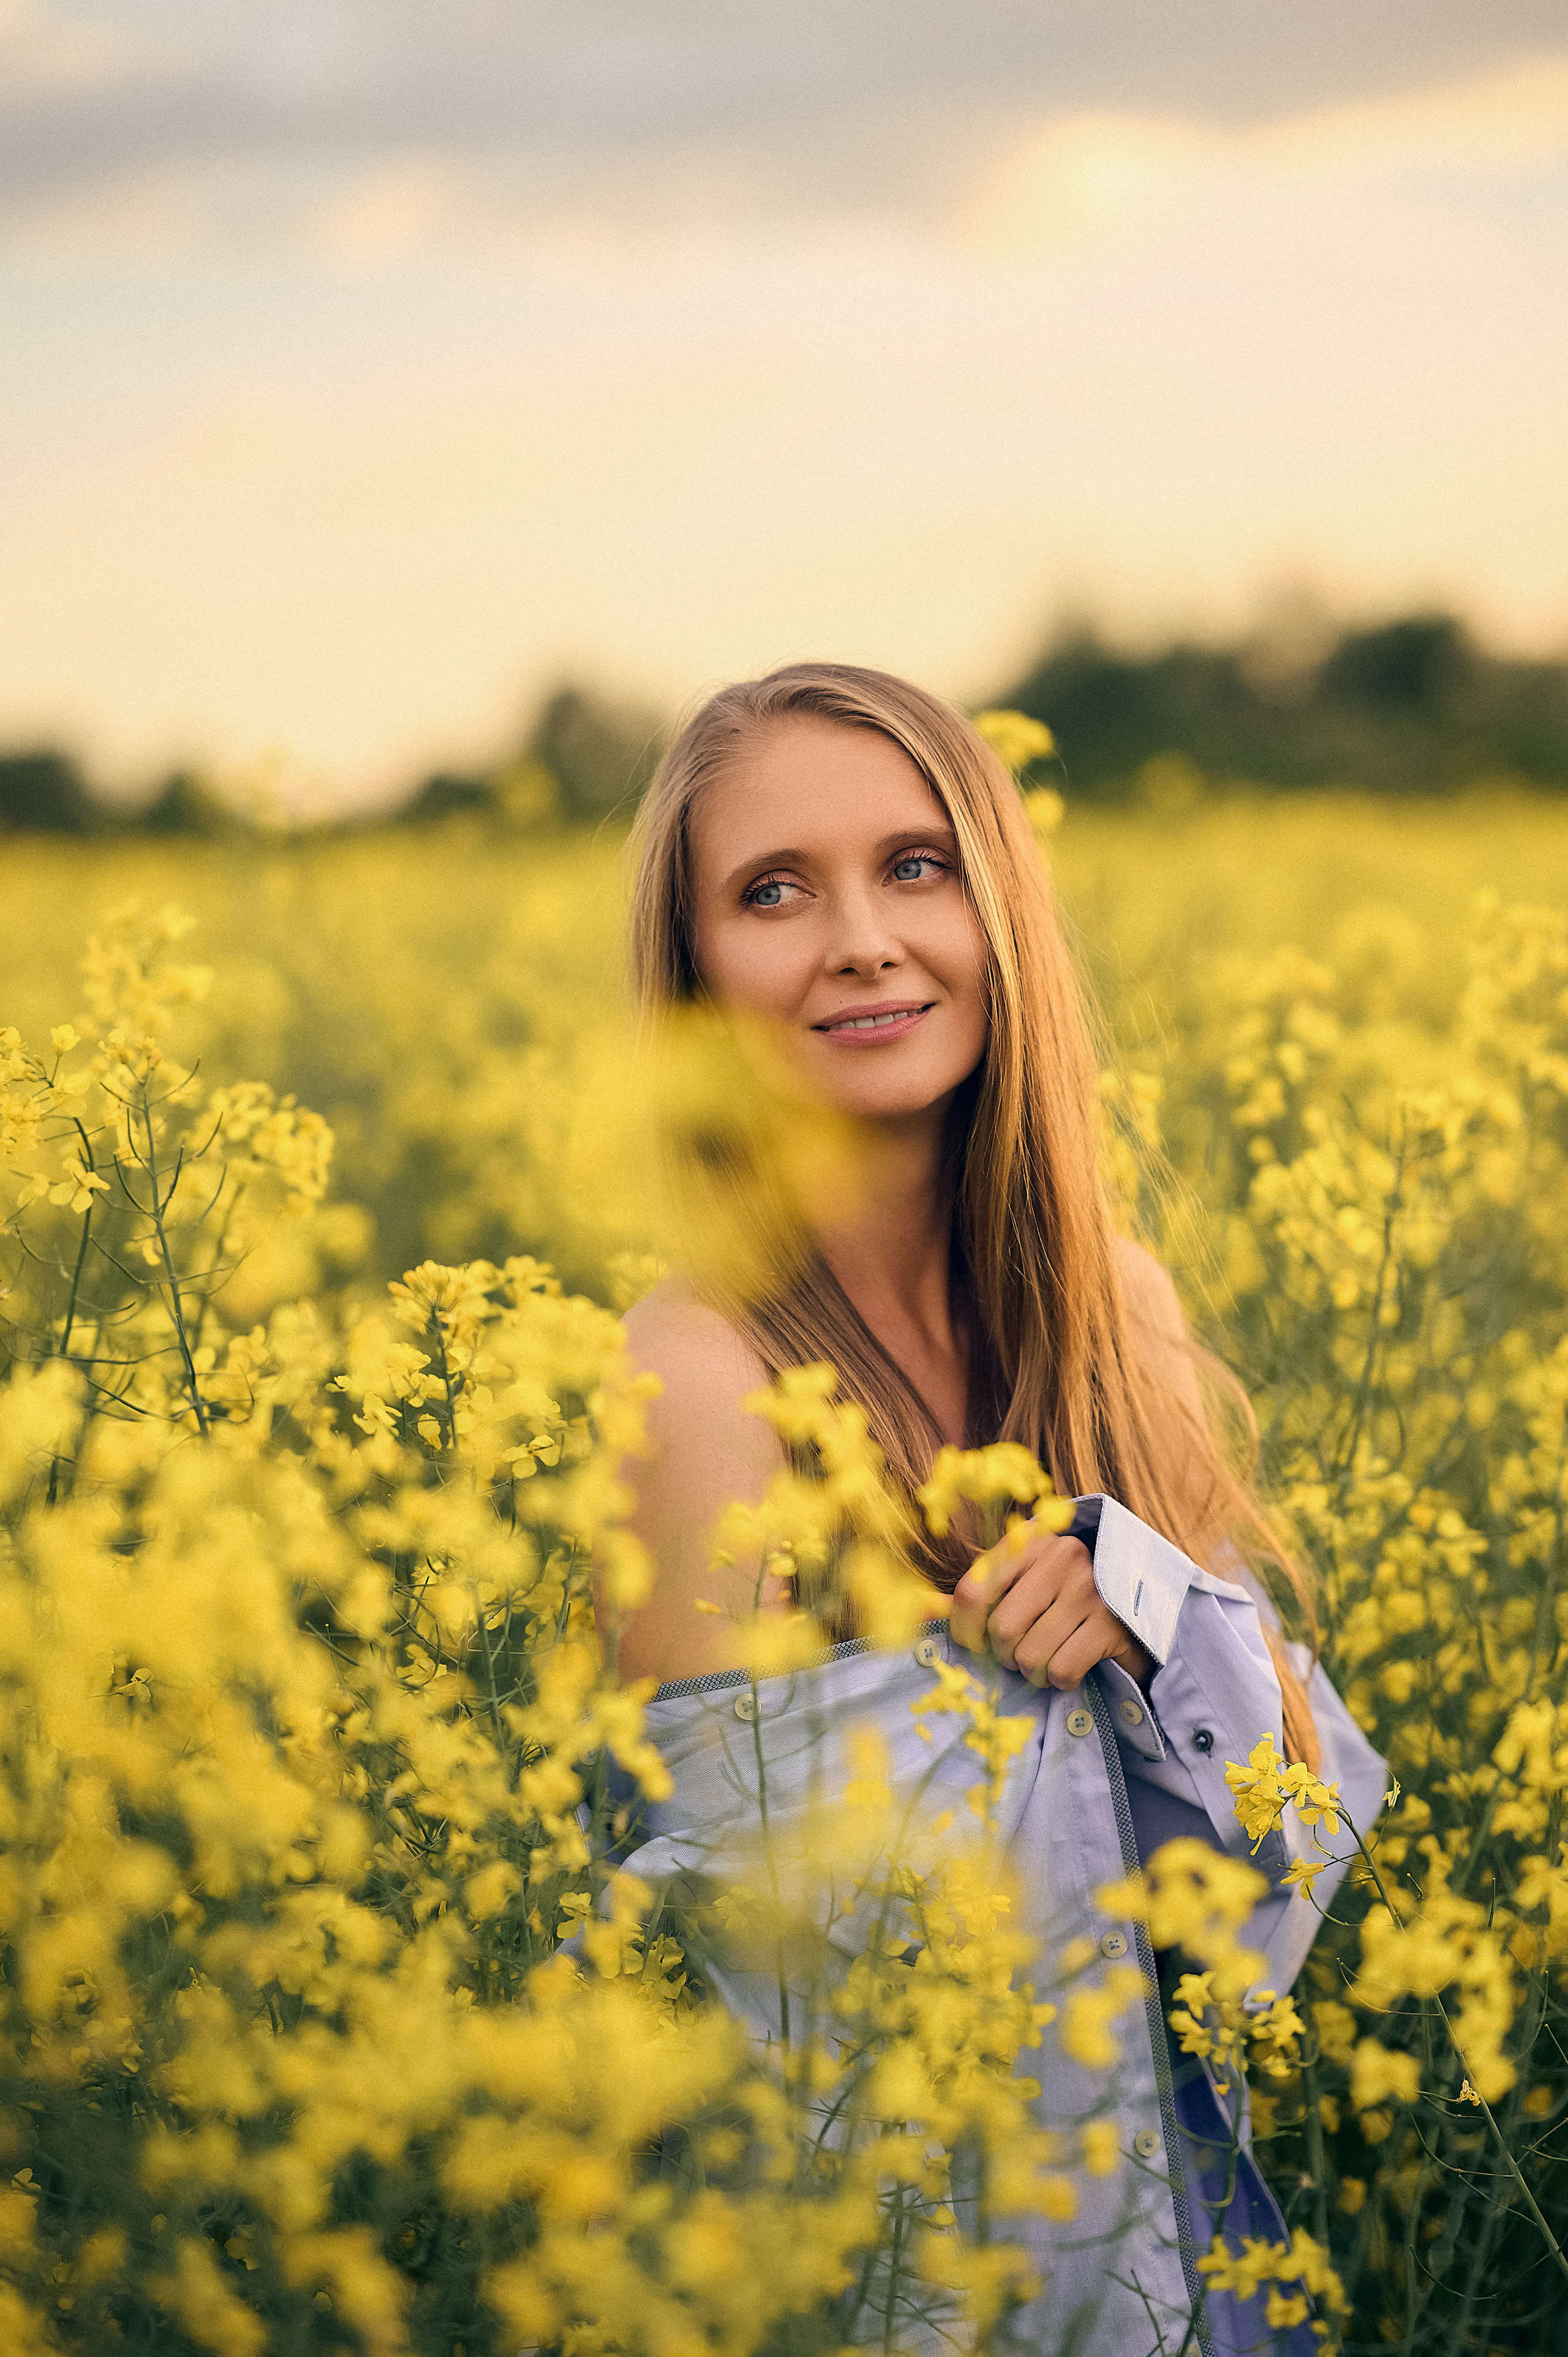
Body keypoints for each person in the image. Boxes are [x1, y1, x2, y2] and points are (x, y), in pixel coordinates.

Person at [608, 662, 1385, 2356]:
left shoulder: (1118, 1308)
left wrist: (1149, 1605)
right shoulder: (699, 1375)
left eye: (914, 865)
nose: (862, 942)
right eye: (772, 893)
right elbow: (793, 2006)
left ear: (996, 908)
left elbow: (1289, 1855)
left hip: (1184, 2252)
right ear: (697, 985)